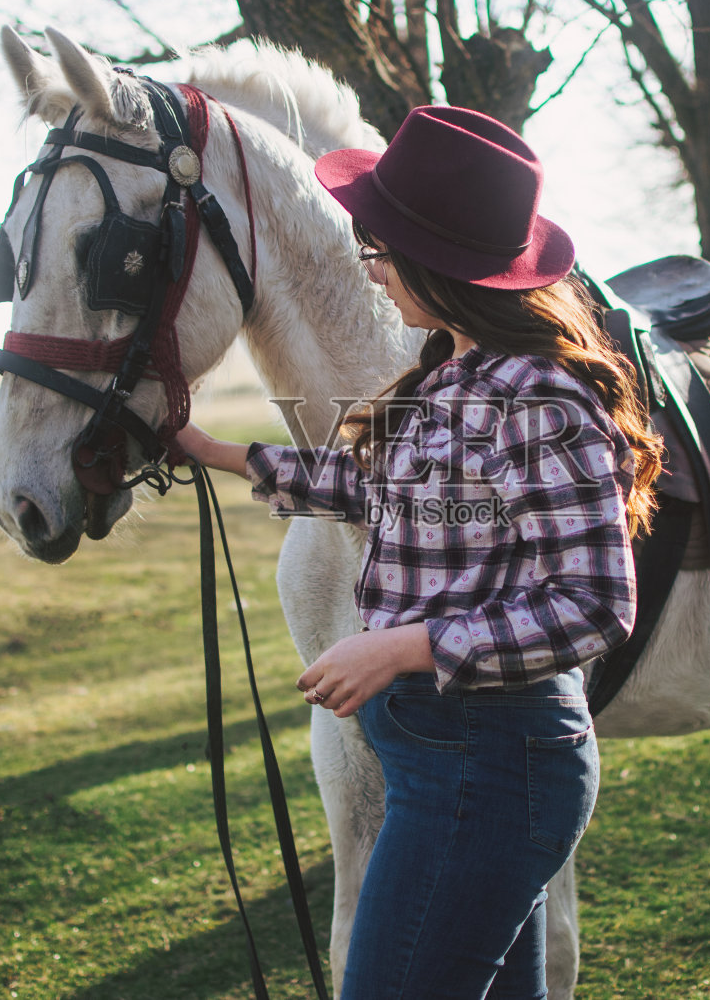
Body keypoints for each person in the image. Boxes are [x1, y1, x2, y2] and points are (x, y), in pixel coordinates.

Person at [176, 105, 661, 999]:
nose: (373, 272)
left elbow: (597, 601)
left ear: (439, 263)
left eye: (382, 252)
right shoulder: (448, 376)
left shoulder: (542, 399)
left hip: (493, 771)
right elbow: (377, 489)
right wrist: (219, 453)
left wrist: (401, 645)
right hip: (456, 768)